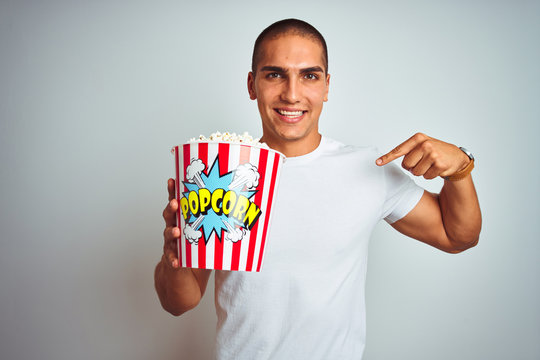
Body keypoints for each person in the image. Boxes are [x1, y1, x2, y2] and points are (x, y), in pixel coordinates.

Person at [154, 19, 481, 359]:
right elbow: (180, 302)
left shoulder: (369, 169)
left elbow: (457, 237)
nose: (292, 94)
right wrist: (173, 257)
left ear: (326, 86)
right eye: (274, 74)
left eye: (309, 75)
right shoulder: (221, 172)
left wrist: (460, 169)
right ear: (252, 85)